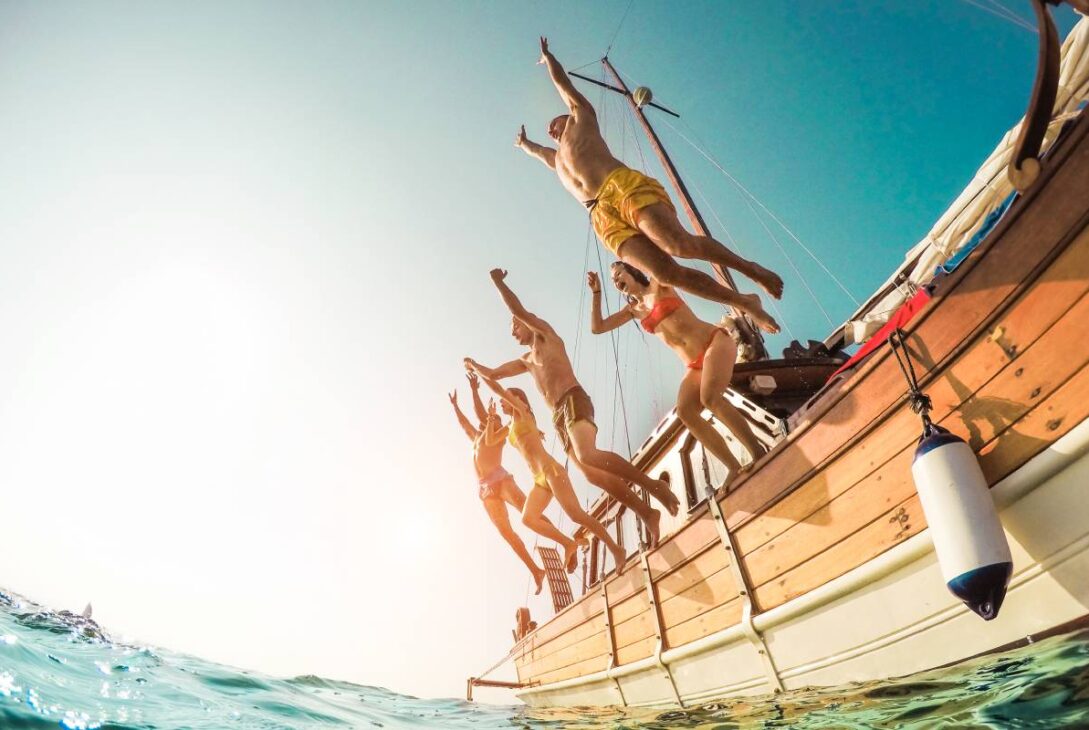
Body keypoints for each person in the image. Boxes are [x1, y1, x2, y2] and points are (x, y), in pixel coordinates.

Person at [516, 37, 783, 334]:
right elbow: (540, 153)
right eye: (548, 131)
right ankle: (744, 301)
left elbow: (562, 83)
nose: (550, 130)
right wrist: (525, 144)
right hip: (601, 217)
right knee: (665, 273)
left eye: (553, 123)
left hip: (620, 186)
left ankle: (751, 269)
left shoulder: (582, 117)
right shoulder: (557, 158)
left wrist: (548, 58)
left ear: (567, 115)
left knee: (677, 244)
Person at [469, 268, 679, 548]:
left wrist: (498, 282)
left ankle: (654, 486)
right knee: (591, 474)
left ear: (527, 323)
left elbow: (517, 309)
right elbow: (494, 375)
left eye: (515, 327)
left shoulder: (545, 335)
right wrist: (474, 366)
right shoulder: (526, 361)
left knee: (587, 454)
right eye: (511, 331)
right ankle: (647, 512)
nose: (514, 334)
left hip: (572, 398)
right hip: (559, 417)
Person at [588, 265, 767, 487]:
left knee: (710, 398)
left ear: (632, 271)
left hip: (714, 342)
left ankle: (757, 451)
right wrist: (597, 293)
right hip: (693, 365)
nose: (616, 281)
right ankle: (733, 466)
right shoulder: (633, 310)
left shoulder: (658, 284)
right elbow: (598, 327)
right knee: (685, 412)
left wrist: (633, 250)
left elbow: (656, 259)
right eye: (613, 280)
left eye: (619, 275)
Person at [466, 369, 629, 573]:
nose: (501, 402)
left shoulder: (523, 412)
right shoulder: (510, 426)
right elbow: (490, 441)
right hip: (539, 479)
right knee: (528, 519)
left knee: (577, 515)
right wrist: (490, 418)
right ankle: (568, 544)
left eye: (505, 398)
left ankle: (616, 549)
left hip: (551, 471)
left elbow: (499, 390)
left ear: (517, 399)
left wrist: (481, 371)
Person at [449, 371, 571, 593]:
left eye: (495, 418)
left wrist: (475, 390)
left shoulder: (498, 435)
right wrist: (455, 406)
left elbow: (480, 414)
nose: (492, 420)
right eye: (491, 419)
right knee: (506, 533)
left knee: (527, 511)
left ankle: (564, 541)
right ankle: (536, 571)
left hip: (500, 479)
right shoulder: (477, 438)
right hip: (485, 489)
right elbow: (465, 423)